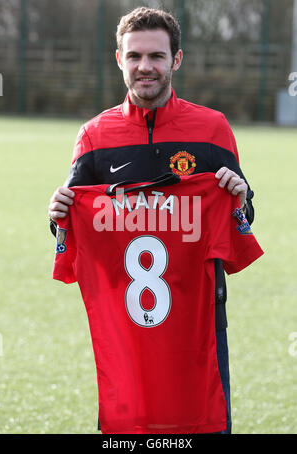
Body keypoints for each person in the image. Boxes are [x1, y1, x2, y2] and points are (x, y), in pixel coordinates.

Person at [49, 7, 254, 434]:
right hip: (124, 317)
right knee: (130, 426)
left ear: (176, 60)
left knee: (204, 419)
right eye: (135, 56)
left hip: (198, 314)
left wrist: (238, 199)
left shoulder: (212, 129)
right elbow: (73, 222)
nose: (146, 67)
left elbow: (242, 216)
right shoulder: (94, 136)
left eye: (157, 56)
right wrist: (58, 214)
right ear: (119, 59)